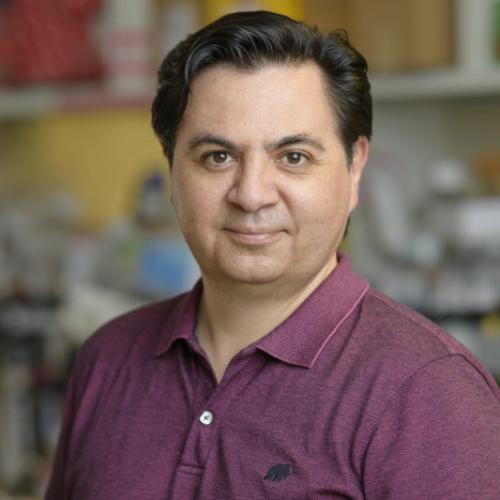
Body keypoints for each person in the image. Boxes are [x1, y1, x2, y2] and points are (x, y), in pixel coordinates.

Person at [46, 10, 500, 500]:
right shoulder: (107, 358)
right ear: (172, 170)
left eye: (293, 157)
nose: (252, 194)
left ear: (354, 169)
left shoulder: (430, 390)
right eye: (218, 157)